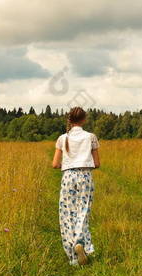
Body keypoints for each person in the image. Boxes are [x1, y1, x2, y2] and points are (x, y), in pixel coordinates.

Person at [52, 107, 101, 266]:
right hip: (85, 177)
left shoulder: (62, 138)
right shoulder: (91, 137)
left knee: (67, 214)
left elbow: (55, 164)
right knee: (83, 211)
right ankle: (81, 242)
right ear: (84, 120)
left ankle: (73, 254)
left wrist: (68, 164)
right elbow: (97, 163)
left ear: (69, 120)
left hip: (68, 177)